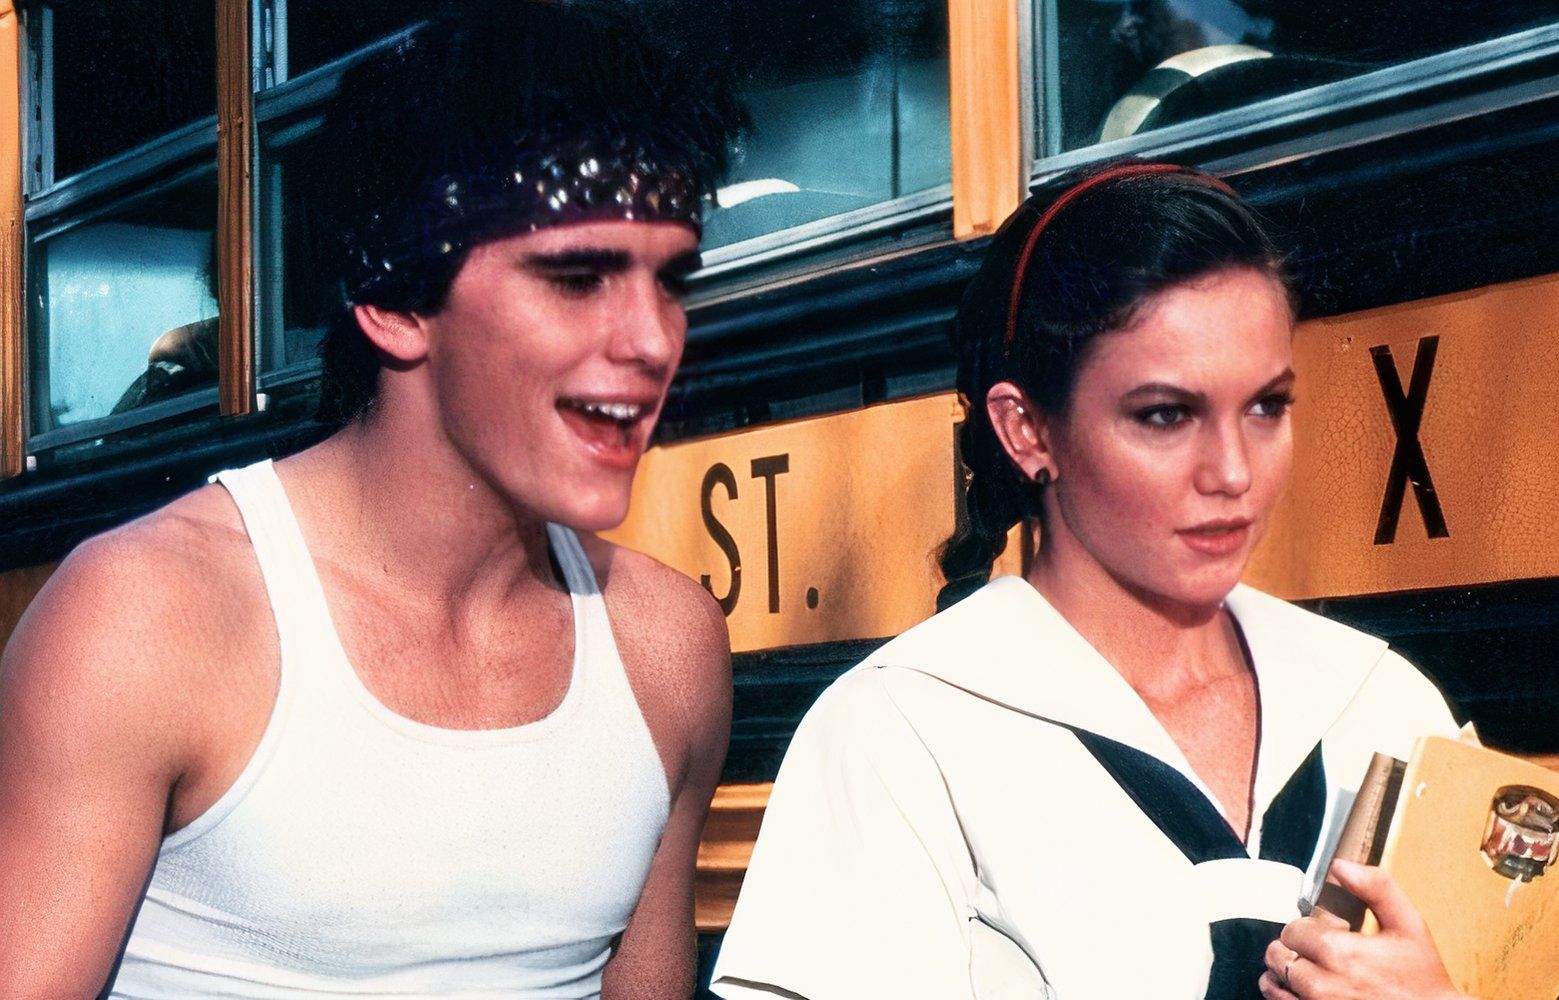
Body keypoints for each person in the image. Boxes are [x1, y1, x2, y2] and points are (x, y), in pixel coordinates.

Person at [0, 3, 743, 996]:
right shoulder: (152, 618)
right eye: (575, 279)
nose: (652, 342)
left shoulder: (664, 644)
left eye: (672, 281)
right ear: (393, 302)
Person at [709, 161, 1468, 1000]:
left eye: (1266, 407)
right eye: (1164, 416)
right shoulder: (902, 733)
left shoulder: (1383, 705)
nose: (1233, 471)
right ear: (1027, 429)